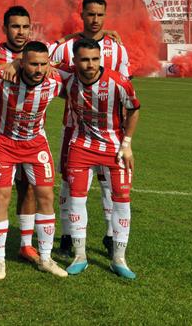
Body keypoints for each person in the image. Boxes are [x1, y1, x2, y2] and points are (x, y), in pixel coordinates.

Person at [51, 0, 131, 258]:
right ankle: (67, 236)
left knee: (110, 184)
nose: (95, 20)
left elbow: (126, 92)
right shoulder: (65, 48)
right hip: (74, 129)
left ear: (105, 16)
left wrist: (124, 136)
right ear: (81, 15)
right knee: (69, 184)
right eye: (90, 14)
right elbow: (45, 64)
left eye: (100, 15)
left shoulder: (117, 49)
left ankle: (110, 236)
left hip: (110, 131)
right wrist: (66, 38)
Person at [0, 41, 68, 279]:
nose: (39, 69)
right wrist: (6, 64)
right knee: (1, 196)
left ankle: (45, 257)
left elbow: (82, 70)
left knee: (46, 196)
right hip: (4, 143)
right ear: (22, 63)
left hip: (36, 144)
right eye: (33, 64)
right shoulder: (1, 80)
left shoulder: (55, 81)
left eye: (43, 64)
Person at [58, 38, 140, 279]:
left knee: (122, 201)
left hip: (114, 147)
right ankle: (80, 255)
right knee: (76, 200)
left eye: (95, 59)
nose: (90, 64)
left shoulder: (118, 82)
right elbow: (39, 62)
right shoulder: (67, 77)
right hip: (81, 146)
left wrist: (127, 145)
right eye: (84, 59)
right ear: (74, 61)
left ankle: (119, 258)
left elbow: (134, 109)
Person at [0, 6, 40, 266]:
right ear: (4, 29)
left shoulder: (37, 50)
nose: (20, 32)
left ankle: (26, 244)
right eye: (15, 26)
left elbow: (64, 55)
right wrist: (9, 64)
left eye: (25, 26)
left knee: (29, 188)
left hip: (31, 133)